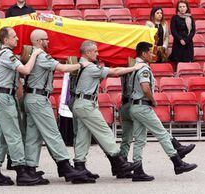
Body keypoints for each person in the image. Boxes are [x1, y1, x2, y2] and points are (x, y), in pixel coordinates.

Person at [23, 29, 95, 184]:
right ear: (39, 41)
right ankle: (65, 166)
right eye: (46, 39)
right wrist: (81, 64)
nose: (48, 42)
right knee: (53, 133)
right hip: (38, 99)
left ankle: (29, 169)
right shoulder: (41, 55)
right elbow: (62, 69)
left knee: (33, 136)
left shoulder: (32, 54)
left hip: (32, 97)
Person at [72, 40, 145, 179]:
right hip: (86, 105)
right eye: (95, 51)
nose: (98, 53)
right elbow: (115, 72)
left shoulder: (84, 65)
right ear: (87, 53)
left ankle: (79, 167)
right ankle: (120, 162)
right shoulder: (90, 67)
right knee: (105, 132)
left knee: (83, 136)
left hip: (81, 103)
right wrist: (134, 68)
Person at [128, 41, 197, 180]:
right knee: (162, 134)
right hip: (143, 106)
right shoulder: (144, 68)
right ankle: (177, 162)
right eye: (150, 52)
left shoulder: (134, 67)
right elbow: (145, 87)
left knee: (140, 140)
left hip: (135, 106)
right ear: (143, 53)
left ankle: (138, 170)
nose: (152, 54)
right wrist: (153, 100)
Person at [0, 26, 44, 186]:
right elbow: (25, 70)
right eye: (14, 37)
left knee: (0, 135)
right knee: (13, 134)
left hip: (1, 96)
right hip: (4, 97)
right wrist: (35, 53)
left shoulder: (5, 54)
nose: (17, 39)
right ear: (6, 40)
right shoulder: (6, 54)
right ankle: (21, 171)